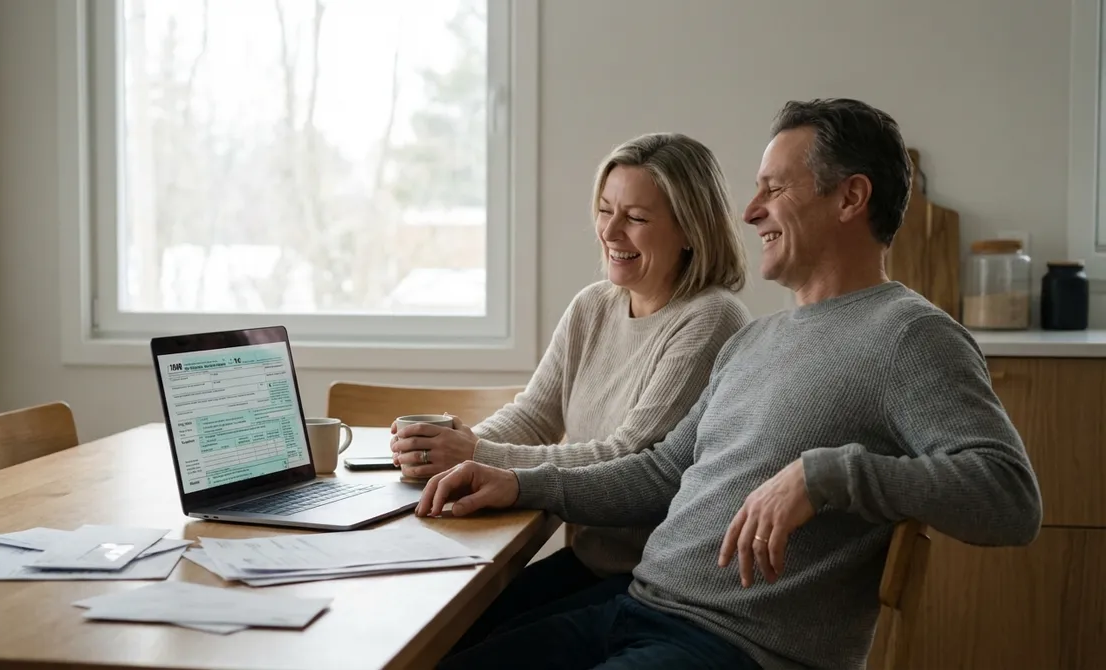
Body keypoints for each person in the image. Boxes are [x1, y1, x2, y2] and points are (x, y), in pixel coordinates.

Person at [414, 98, 1044, 670]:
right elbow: (662, 473)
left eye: (774, 189)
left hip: (737, 646)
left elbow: (1011, 498)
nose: (749, 211)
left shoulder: (910, 335)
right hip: (639, 607)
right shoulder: (755, 340)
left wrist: (824, 475)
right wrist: (518, 480)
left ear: (850, 198)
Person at [390, 132, 752, 650]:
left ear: (690, 229)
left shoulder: (711, 318)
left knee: (456, 644)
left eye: (636, 217)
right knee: (434, 632)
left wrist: (479, 454)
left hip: (650, 582)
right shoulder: (594, 305)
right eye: (605, 210)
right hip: (589, 560)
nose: (610, 230)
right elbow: (535, 414)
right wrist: (452, 449)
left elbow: (630, 456)